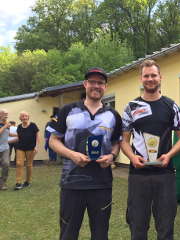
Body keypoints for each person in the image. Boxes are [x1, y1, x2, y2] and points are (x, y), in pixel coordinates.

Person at [49, 67, 122, 240]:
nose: (96, 86)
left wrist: (111, 156)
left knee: (100, 234)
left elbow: (116, 143)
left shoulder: (113, 115)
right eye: (92, 82)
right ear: (85, 84)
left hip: (101, 184)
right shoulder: (68, 110)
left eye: (100, 83)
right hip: (71, 183)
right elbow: (53, 140)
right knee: (68, 234)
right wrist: (72, 155)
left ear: (105, 87)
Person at [121, 59, 180, 240]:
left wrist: (170, 155)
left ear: (160, 78)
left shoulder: (171, 106)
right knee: (137, 226)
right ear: (141, 79)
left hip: (165, 173)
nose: (150, 79)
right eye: (146, 75)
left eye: (153, 75)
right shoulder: (131, 107)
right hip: (138, 174)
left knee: (165, 227)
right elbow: (124, 141)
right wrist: (132, 157)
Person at [15, 111, 40, 190]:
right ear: (20, 118)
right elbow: (18, 138)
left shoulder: (33, 125)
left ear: (28, 117)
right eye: (22, 116)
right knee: (19, 163)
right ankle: (18, 182)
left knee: (29, 165)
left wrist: (36, 146)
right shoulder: (19, 127)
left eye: (26, 116)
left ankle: (27, 181)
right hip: (20, 147)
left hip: (31, 148)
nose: (24, 117)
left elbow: (37, 137)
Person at [0, 109, 11, 190]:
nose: (6, 115)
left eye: (7, 114)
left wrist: (18, 135)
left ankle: (3, 182)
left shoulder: (7, 124)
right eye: (5, 113)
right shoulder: (6, 125)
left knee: (6, 164)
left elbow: (7, 134)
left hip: (5, 147)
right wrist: (5, 126)